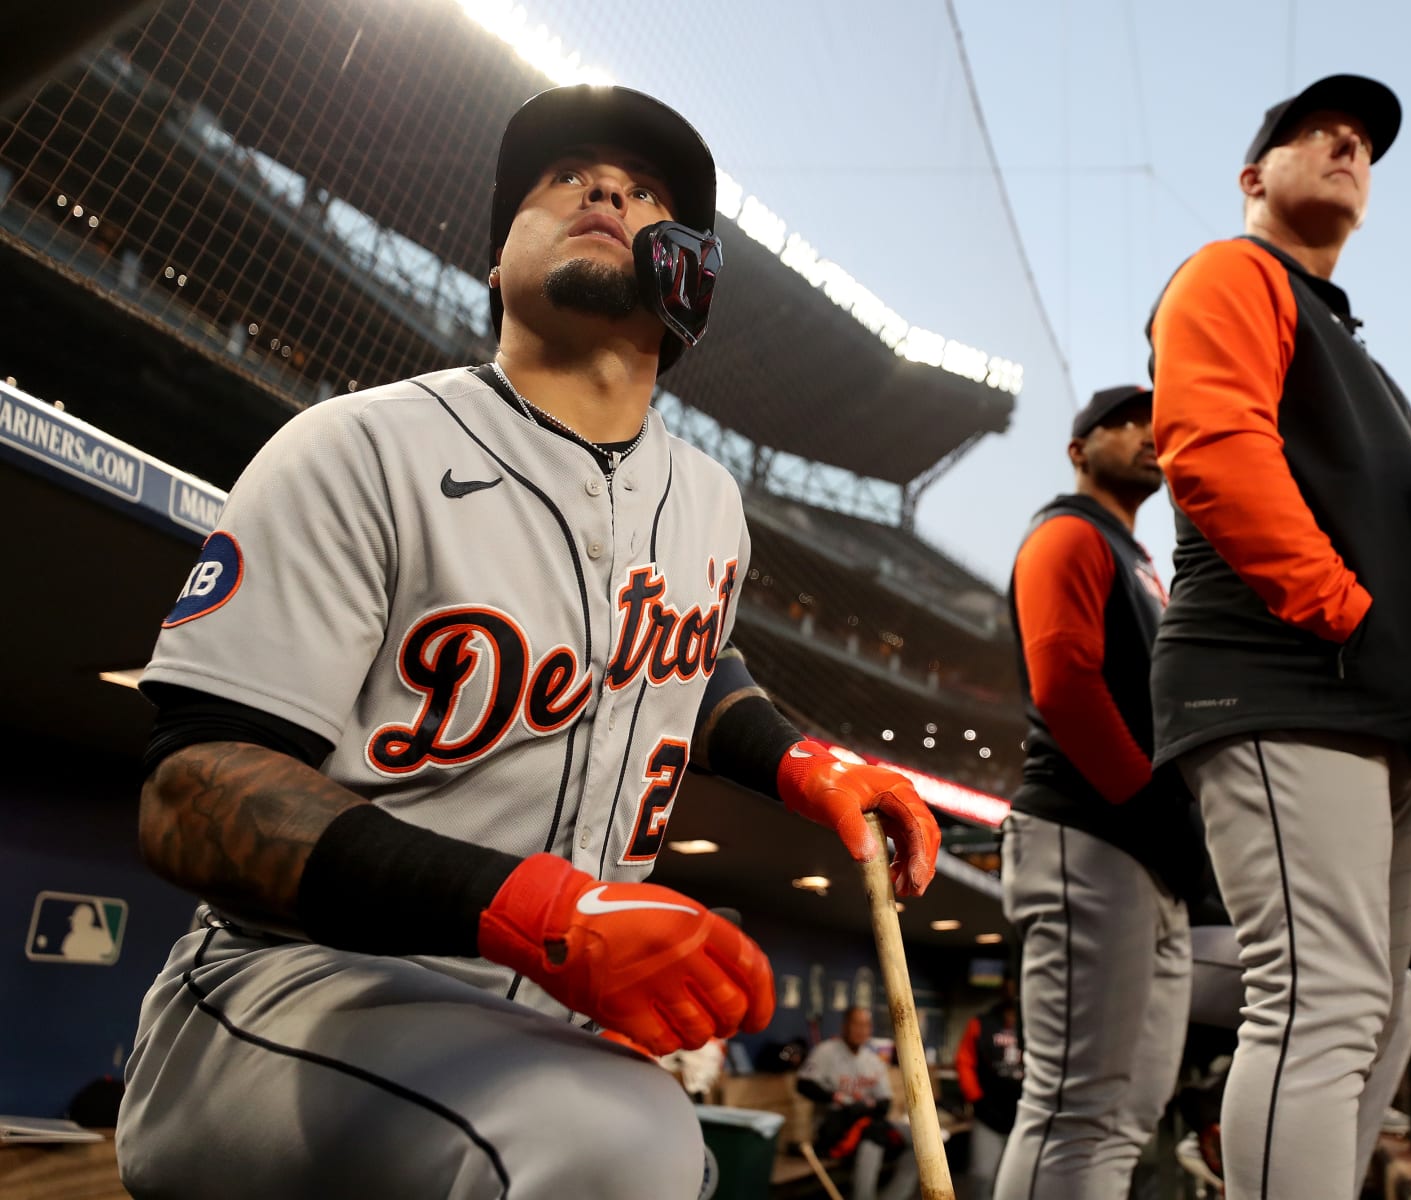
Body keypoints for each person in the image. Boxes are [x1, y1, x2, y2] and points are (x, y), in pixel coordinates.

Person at [112, 84, 941, 1200]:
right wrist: (537, 908)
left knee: (649, 1142)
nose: (602, 187)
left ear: (687, 276)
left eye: (644, 191)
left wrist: (802, 761)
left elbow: (685, 671)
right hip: (296, 992)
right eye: (562, 178)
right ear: (496, 267)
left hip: (544, 1029)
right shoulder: (359, 446)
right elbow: (193, 790)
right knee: (619, 1141)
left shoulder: (709, 504)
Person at [1145, 74, 1411, 1200]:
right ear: (1254, 177)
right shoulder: (1231, 270)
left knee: (1384, 1004)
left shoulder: (1354, 350)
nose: (1347, 143)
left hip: (1363, 697)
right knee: (1324, 999)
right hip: (1285, 675)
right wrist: (1343, 611)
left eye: (1364, 143)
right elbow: (1211, 449)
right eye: (1316, 132)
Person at [993, 385, 1206, 1199]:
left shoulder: (1141, 560)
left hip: (1140, 851)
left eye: (1157, 422)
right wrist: (1156, 808)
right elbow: (1068, 687)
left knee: (1126, 1115)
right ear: (1079, 449)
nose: (1148, 433)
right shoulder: (1067, 532)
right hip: (1090, 832)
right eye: (1124, 422)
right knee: (1070, 1108)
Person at [797, 1007, 918, 1200]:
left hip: (866, 1122)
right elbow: (804, 1084)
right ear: (845, 1026)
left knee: (918, 1138)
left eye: (866, 1025)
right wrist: (837, 1098)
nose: (861, 1030)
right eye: (856, 1024)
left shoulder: (872, 1060)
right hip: (834, 1129)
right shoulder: (826, 1051)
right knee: (873, 1138)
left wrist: (864, 1107)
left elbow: (885, 1102)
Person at [954, 977, 1025, 1197]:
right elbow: (964, 1062)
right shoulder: (982, 1023)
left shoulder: (1036, 1024)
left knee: (1019, 1182)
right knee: (983, 1177)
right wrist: (976, 1098)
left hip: (1025, 1117)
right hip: (988, 1115)